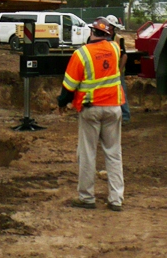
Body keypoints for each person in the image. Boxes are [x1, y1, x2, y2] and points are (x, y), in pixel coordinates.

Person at [58, 17, 124, 211]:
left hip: (91, 109)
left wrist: (62, 103)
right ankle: (116, 199)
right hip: (113, 108)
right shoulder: (115, 49)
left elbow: (69, 86)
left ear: (92, 32)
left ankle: (87, 197)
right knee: (113, 154)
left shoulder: (81, 54)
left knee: (87, 153)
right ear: (108, 34)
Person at [105, 15, 131, 124]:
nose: (110, 28)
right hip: (106, 72)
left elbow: (124, 55)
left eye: (111, 26)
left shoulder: (118, 39)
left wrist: (120, 70)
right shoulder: (103, 38)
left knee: (121, 93)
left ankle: (125, 116)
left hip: (117, 71)